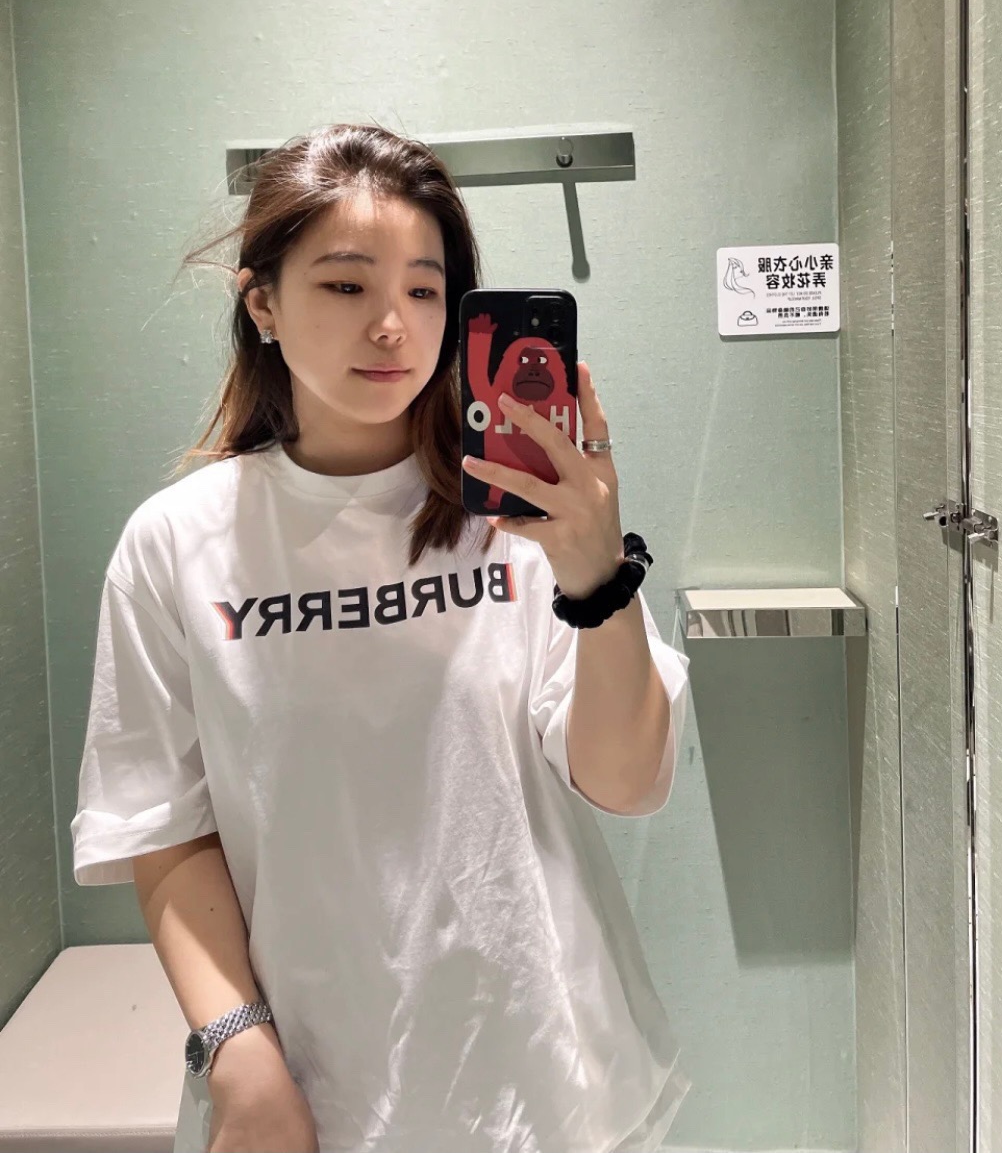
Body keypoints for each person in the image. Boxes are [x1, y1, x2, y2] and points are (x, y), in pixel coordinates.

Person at [70, 121, 693, 1153]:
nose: (393, 325)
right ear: (262, 302)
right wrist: (241, 1059)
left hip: (546, 1081)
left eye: (424, 289)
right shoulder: (177, 543)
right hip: (309, 1092)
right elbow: (165, 832)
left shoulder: (525, 519)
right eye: (347, 285)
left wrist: (597, 579)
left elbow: (626, 781)